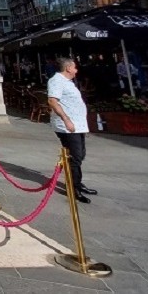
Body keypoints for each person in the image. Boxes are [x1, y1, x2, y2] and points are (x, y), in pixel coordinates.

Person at [48, 57, 97, 204]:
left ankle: (78, 183)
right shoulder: (56, 81)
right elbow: (52, 101)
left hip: (76, 125)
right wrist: (66, 119)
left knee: (79, 155)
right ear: (68, 68)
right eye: (74, 67)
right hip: (67, 126)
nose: (76, 70)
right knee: (74, 157)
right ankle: (73, 187)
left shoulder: (66, 82)